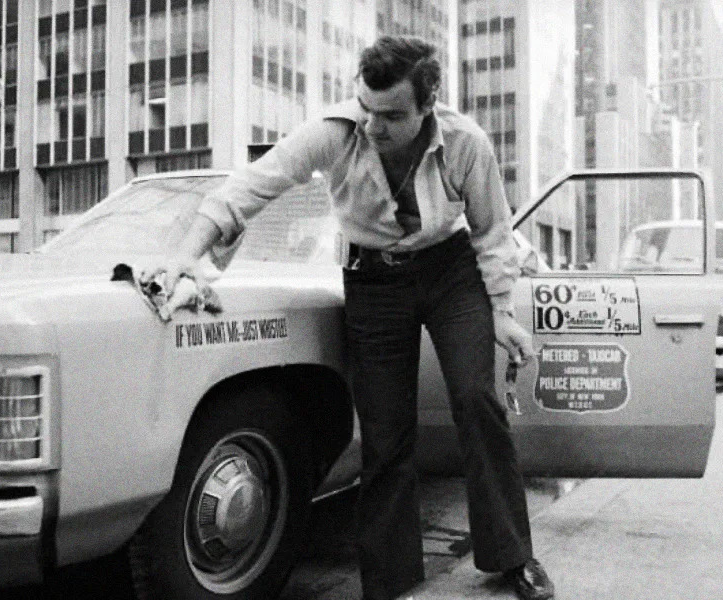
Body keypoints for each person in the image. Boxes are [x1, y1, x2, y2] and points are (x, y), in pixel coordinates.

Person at [144, 35, 554, 600]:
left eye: (390, 116)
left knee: (477, 402)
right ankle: (389, 583)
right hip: (373, 281)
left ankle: (513, 558)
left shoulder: (466, 143)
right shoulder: (336, 132)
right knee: (385, 434)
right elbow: (250, 187)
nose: (373, 126)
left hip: (449, 271)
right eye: (366, 107)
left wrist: (502, 312)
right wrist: (187, 254)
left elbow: (491, 232)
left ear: (427, 106)